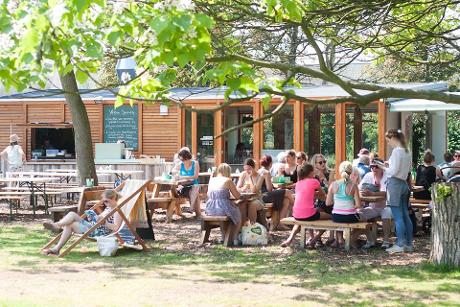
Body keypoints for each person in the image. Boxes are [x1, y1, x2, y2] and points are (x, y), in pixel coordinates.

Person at [41, 189, 133, 256]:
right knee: (72, 215)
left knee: (70, 224)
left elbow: (116, 228)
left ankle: (56, 243)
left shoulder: (117, 211)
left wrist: (103, 222)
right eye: (104, 202)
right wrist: (95, 217)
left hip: (99, 231)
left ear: (114, 199)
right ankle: (56, 228)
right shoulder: (109, 208)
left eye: (106, 201)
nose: (105, 203)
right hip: (94, 226)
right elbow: (102, 218)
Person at [281, 163, 328, 247]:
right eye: (313, 171)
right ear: (310, 173)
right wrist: (318, 194)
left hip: (296, 214)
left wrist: (313, 194)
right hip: (309, 214)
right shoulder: (314, 181)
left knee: (300, 221)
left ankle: (289, 239)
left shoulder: (298, 183)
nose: (314, 173)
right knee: (331, 217)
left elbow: (306, 194)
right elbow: (323, 195)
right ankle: (314, 239)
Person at [382, 129, 413, 254]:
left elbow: (393, 171)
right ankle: (409, 244)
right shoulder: (407, 150)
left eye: (388, 141)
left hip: (394, 184)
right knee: (405, 215)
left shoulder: (396, 151)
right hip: (404, 184)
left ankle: (400, 244)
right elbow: (407, 168)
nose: (389, 143)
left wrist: (382, 167)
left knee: (397, 217)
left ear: (393, 138)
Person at [326, 161, 361, 248]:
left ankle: (340, 239)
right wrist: (351, 206)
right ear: (350, 171)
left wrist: (338, 202)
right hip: (350, 216)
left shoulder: (333, 184)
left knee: (339, 219)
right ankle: (351, 239)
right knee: (367, 221)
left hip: (336, 216)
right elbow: (358, 205)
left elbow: (328, 203)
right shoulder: (354, 185)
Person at [359, 158, 392, 249]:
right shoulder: (368, 175)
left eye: (376, 166)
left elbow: (386, 193)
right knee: (359, 214)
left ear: (382, 167)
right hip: (373, 206)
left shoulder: (387, 176)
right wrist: (363, 193)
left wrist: (372, 194)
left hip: (386, 205)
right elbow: (359, 188)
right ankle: (370, 240)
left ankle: (386, 240)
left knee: (386, 212)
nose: (373, 169)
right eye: (371, 166)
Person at [205, 163, 242, 244]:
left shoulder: (212, 180)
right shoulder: (228, 180)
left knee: (227, 211)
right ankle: (235, 237)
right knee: (238, 213)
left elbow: (208, 194)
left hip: (210, 208)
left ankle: (224, 236)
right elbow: (237, 196)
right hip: (222, 207)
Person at [258, 155, 295, 230]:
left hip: (261, 195)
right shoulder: (266, 172)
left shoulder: (259, 170)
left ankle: (281, 223)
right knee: (287, 192)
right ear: (270, 163)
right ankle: (297, 207)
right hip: (265, 195)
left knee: (286, 200)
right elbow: (269, 188)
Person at [236, 158, 268, 229]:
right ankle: (241, 228)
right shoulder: (243, 174)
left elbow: (255, 191)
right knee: (240, 204)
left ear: (254, 168)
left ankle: (251, 228)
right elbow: (237, 188)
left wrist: (250, 178)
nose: (247, 171)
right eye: (245, 169)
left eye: (249, 169)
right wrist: (243, 188)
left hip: (257, 199)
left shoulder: (260, 176)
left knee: (252, 205)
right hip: (245, 198)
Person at [172, 149, 201, 217]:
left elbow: (195, 176)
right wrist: (176, 174)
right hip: (183, 185)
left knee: (195, 187)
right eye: (181, 160)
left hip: (193, 184)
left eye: (183, 160)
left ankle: (191, 208)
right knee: (193, 189)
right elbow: (172, 171)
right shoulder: (180, 164)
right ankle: (191, 208)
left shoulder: (195, 163)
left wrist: (182, 177)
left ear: (188, 158)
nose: (182, 162)